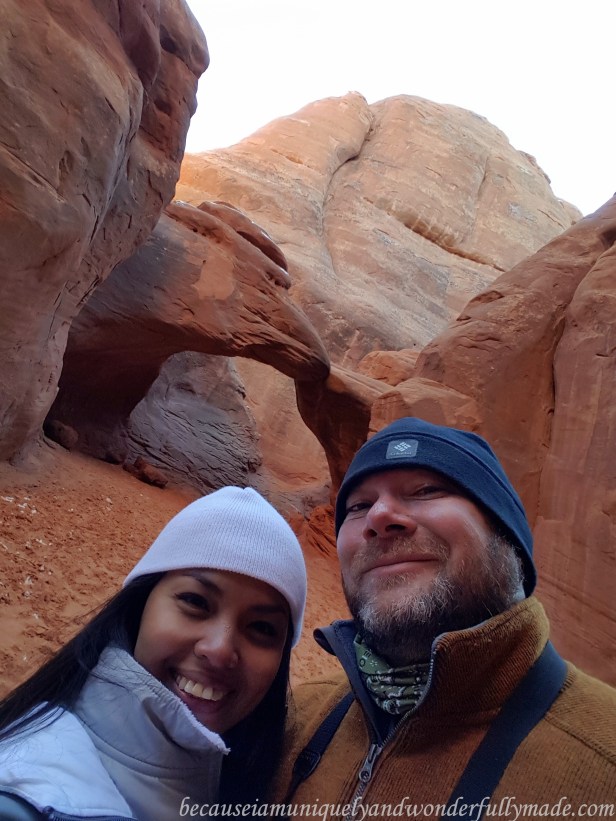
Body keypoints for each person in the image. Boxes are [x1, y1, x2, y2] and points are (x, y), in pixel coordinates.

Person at [276, 417, 616, 815]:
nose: (379, 516)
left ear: (507, 538)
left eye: (426, 489)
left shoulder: (604, 756)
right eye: (359, 505)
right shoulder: (297, 718)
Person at [0, 486, 307, 820]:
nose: (219, 650)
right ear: (141, 603)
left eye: (262, 628)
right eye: (195, 602)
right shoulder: (30, 800)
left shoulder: (253, 783)